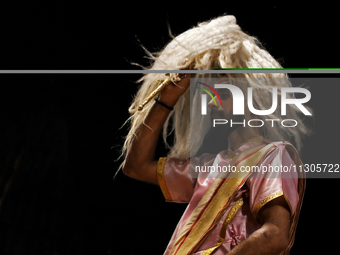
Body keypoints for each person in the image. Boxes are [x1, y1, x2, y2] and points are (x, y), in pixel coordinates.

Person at [120, 15, 310, 255]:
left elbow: (275, 234)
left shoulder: (272, 155)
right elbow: (135, 167)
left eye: (224, 94)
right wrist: (165, 101)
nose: (212, 104)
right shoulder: (210, 166)